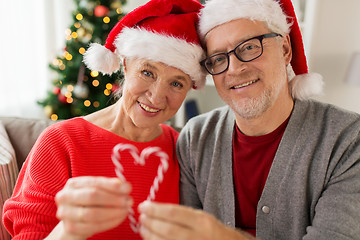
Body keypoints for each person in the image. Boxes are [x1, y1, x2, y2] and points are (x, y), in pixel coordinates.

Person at [137, 0, 360, 239]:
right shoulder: (196, 138)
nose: (234, 69)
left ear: (285, 49)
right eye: (219, 59)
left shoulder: (348, 140)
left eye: (250, 47)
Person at [2, 0, 206, 239]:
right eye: (147, 72)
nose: (157, 96)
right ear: (126, 64)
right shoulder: (61, 141)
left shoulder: (181, 148)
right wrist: (70, 230)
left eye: (176, 83)